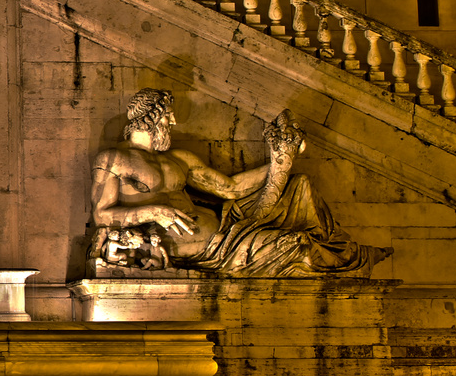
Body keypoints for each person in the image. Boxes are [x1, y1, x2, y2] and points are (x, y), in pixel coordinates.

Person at [90, 88, 387, 276]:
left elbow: (230, 188)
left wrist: (279, 159)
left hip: (224, 236)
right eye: (168, 116)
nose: (173, 122)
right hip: (187, 247)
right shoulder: (113, 159)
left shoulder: (179, 158)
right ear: (151, 117)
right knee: (299, 249)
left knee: (299, 186)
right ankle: (349, 263)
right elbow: (102, 215)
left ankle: (345, 255)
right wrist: (156, 212)